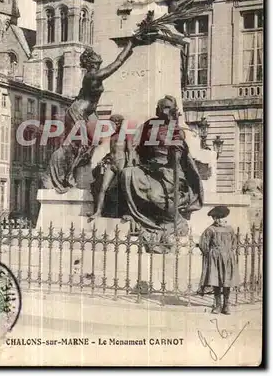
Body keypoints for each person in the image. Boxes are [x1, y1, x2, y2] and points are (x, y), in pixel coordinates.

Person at [42, 41, 137, 193]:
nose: (99, 56)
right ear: (92, 61)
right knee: (77, 145)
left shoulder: (92, 75)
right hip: (77, 113)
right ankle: (61, 175)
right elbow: (117, 63)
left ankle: (73, 174)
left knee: (90, 145)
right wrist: (131, 44)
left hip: (87, 113)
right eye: (95, 56)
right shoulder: (93, 75)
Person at [120, 95, 203, 252]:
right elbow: (135, 145)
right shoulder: (148, 126)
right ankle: (133, 212)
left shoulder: (177, 131)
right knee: (127, 174)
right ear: (157, 109)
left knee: (155, 195)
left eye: (168, 108)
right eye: (162, 108)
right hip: (148, 167)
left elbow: (180, 157)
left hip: (169, 169)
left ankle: (170, 220)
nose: (164, 111)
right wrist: (131, 155)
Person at [88, 114, 136, 220]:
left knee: (124, 188)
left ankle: (128, 212)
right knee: (103, 187)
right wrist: (104, 159)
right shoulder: (113, 136)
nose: (112, 126)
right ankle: (98, 212)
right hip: (112, 163)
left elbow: (130, 150)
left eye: (113, 124)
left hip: (121, 162)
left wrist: (129, 164)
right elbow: (111, 151)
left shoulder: (126, 135)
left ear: (119, 123)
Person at [198, 205, 239, 315]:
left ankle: (226, 305)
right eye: (217, 218)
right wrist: (211, 253)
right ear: (214, 219)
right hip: (215, 260)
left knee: (227, 282)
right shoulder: (210, 230)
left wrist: (227, 252)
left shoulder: (230, 229)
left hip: (227, 259)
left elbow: (234, 242)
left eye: (222, 218)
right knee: (216, 282)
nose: (220, 220)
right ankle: (217, 305)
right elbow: (203, 244)